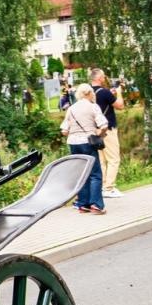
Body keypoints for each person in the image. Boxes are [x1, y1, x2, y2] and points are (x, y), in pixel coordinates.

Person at [62, 83, 108, 212]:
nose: (93, 94)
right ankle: (96, 204)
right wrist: (99, 134)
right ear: (88, 93)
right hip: (88, 142)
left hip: (73, 143)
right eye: (92, 92)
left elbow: (64, 131)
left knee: (81, 173)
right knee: (95, 174)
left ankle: (83, 203)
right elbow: (104, 125)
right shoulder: (93, 106)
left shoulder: (71, 108)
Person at [89, 68, 124, 198]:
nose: (104, 79)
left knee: (101, 161)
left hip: (95, 130)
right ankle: (109, 188)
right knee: (114, 159)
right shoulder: (104, 92)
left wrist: (110, 94)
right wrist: (119, 93)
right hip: (107, 129)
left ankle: (102, 186)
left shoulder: (88, 93)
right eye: (103, 77)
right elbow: (120, 105)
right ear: (99, 78)